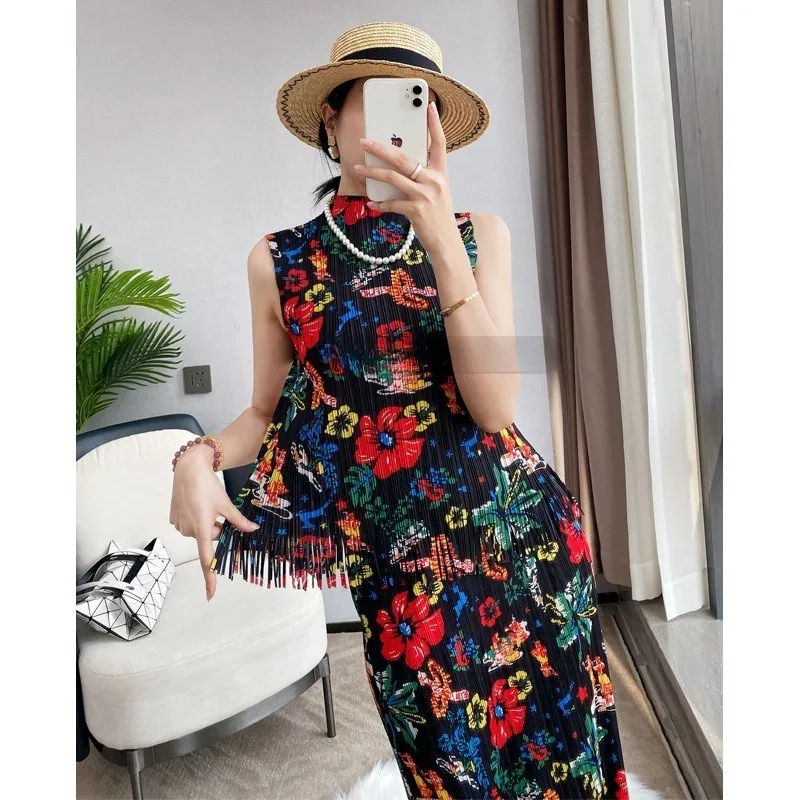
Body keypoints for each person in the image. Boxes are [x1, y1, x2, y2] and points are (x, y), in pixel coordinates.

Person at [170, 21, 629, 800]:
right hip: (401, 580)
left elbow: (495, 409)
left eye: (419, 106)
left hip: (523, 545)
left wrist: (441, 241)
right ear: (330, 118)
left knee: (563, 763)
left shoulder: (480, 235)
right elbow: (264, 412)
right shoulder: (279, 261)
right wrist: (196, 457)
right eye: (382, 101)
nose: (401, 125)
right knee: (445, 771)